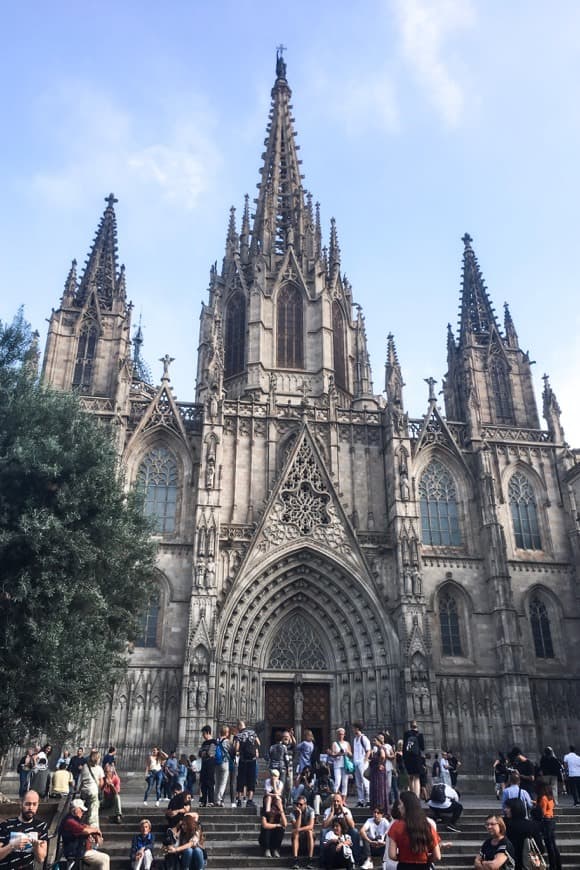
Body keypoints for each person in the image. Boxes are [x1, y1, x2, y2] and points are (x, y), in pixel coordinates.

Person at [387, 791, 441, 869]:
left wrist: (402, 857)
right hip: (424, 866)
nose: (398, 807)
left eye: (400, 804)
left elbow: (392, 855)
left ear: (406, 806)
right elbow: (437, 856)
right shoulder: (427, 826)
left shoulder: (396, 826)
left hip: (404, 865)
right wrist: (427, 859)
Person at [0, 791, 48, 870]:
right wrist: (12, 846)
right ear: (21, 804)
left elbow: (41, 859)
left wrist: (36, 847)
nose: (31, 808)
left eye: (34, 804)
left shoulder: (41, 826)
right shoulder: (6, 825)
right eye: (28, 804)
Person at [59, 797, 109, 870]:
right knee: (105, 858)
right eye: (81, 810)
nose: (83, 813)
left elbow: (85, 827)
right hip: (75, 851)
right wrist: (96, 830)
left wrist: (94, 834)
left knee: (99, 860)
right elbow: (85, 830)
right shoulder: (70, 821)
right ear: (76, 810)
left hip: (79, 849)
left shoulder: (73, 819)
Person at [503, 798, 542, 870]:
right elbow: (540, 847)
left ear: (514, 809)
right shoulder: (532, 825)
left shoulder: (505, 824)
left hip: (510, 862)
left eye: (508, 808)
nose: (505, 810)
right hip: (528, 863)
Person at [235, 719, 260, 808]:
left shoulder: (239, 735)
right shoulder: (252, 732)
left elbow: (236, 748)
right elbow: (259, 743)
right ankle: (250, 800)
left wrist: (238, 751)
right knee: (251, 780)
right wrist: (255, 749)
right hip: (252, 760)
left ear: (239, 726)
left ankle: (239, 800)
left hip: (243, 760)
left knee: (241, 780)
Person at [536, 782, 562, 870]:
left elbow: (542, 812)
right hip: (551, 820)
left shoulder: (543, 798)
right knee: (553, 844)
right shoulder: (550, 798)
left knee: (549, 845)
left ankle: (552, 865)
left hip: (546, 821)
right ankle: (558, 865)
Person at [78, 749, 105, 827]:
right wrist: (99, 789)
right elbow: (101, 782)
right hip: (93, 791)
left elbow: (82, 780)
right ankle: (93, 828)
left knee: (84, 809)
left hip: (84, 791)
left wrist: (79, 789)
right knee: (93, 811)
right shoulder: (99, 768)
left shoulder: (84, 767)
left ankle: (82, 824)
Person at [258, 793, 287, 859]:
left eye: (275, 809)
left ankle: (275, 849)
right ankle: (267, 849)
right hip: (264, 839)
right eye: (272, 809)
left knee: (281, 829)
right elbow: (265, 825)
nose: (273, 811)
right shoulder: (265, 813)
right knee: (268, 829)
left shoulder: (279, 814)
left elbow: (285, 824)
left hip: (274, 838)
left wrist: (281, 811)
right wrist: (276, 825)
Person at [291, 795, 315, 869]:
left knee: (309, 832)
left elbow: (311, 826)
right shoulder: (293, 813)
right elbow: (296, 827)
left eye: (301, 804)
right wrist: (300, 814)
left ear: (305, 804)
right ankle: (295, 860)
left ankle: (310, 859)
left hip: (307, 834)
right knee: (296, 834)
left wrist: (299, 829)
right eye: (297, 804)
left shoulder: (311, 811)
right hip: (298, 836)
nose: (298, 806)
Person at [368, 734, 391, 815]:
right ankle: (379, 808)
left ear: (378, 741)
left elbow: (383, 756)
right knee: (379, 789)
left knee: (379, 789)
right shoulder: (379, 748)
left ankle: (380, 808)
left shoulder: (381, 748)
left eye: (374, 741)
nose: (373, 742)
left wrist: (380, 764)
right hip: (376, 772)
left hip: (378, 773)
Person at [402, 721, 424, 798]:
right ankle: (416, 796)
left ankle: (411, 795)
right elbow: (422, 747)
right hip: (416, 758)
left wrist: (404, 758)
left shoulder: (406, 734)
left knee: (410, 777)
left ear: (410, 726)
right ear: (416, 726)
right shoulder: (419, 735)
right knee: (417, 778)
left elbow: (404, 747)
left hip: (408, 758)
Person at [351, 723, 371, 808]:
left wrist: (365, 760)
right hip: (356, 762)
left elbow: (368, 750)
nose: (352, 730)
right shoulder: (355, 739)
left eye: (354, 728)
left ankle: (368, 800)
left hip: (362, 762)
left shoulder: (364, 738)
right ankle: (361, 800)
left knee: (365, 782)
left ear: (357, 728)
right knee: (358, 783)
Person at [330, 729, 353, 802]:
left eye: (342, 734)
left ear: (344, 735)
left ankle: (343, 800)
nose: (341, 736)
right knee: (337, 781)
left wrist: (347, 752)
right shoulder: (335, 743)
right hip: (337, 764)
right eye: (339, 734)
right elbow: (333, 754)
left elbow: (351, 754)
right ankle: (335, 799)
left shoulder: (347, 743)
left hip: (345, 764)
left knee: (345, 782)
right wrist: (339, 753)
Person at [214, 725, 233, 807]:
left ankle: (215, 800)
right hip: (224, 763)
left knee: (217, 782)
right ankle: (219, 799)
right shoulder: (227, 741)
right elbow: (232, 751)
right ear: (227, 733)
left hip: (216, 763)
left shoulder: (216, 741)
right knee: (223, 783)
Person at [198, 727, 217, 807]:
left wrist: (204, 752)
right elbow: (199, 753)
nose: (203, 735)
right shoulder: (204, 743)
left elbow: (210, 753)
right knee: (203, 783)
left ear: (208, 732)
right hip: (204, 764)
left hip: (210, 764)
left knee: (210, 783)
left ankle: (211, 801)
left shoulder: (214, 742)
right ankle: (203, 801)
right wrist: (204, 752)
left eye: (204, 733)